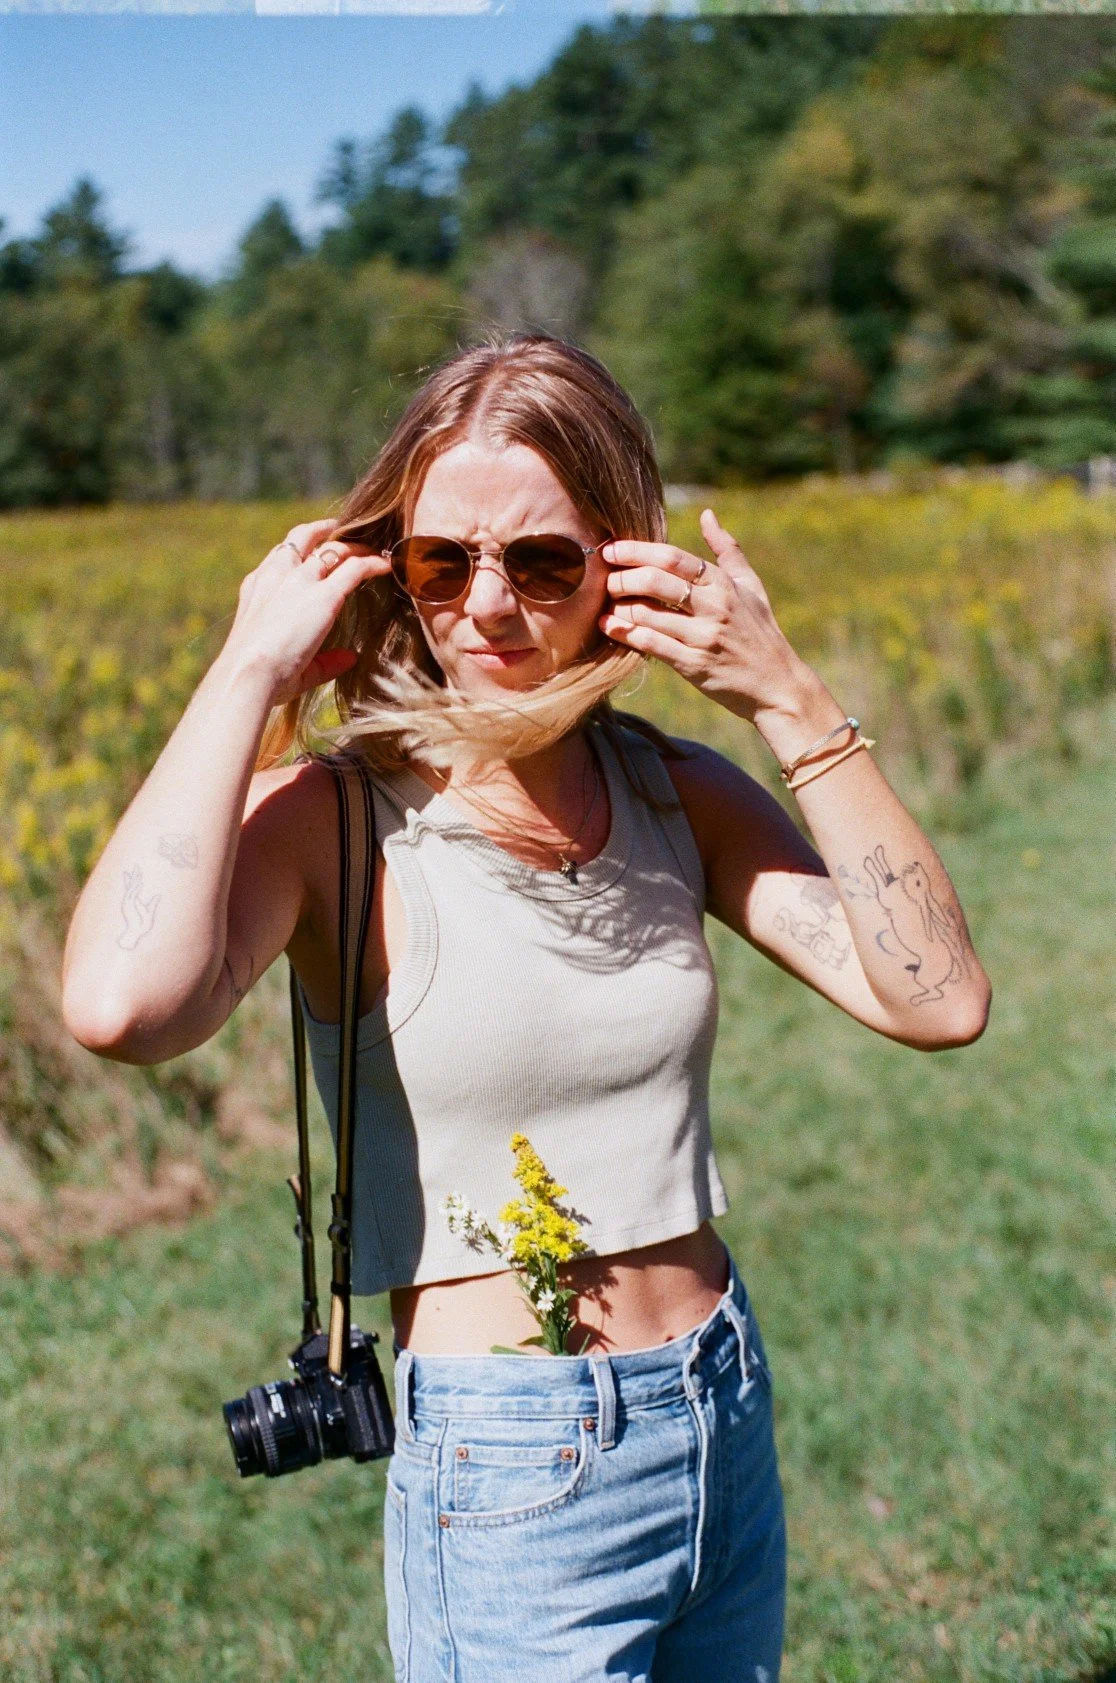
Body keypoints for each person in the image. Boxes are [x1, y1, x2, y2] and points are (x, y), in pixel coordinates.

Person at [61, 333, 991, 1682]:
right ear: (393, 571)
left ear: (620, 563)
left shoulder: (675, 790)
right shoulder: (334, 817)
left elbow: (938, 997)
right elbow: (116, 1006)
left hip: (719, 1403)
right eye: (445, 562)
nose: (489, 604)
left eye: (543, 559)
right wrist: (248, 671)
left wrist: (789, 698)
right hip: (513, 1456)